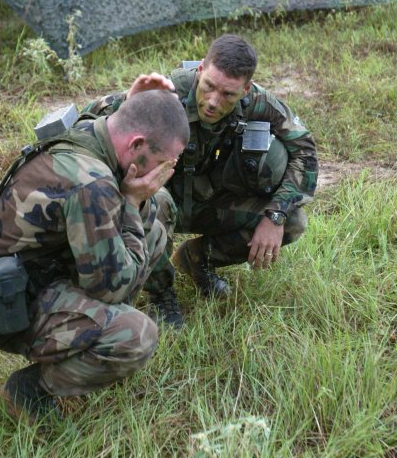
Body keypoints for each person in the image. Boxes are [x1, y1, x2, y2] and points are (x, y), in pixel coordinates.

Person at [0, 89, 189, 422]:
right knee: (136, 336)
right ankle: (31, 389)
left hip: (35, 268)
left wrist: (138, 203)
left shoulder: (92, 130)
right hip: (4, 306)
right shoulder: (91, 184)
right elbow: (113, 289)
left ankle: (100, 327)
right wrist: (129, 203)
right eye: (161, 165)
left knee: (157, 207)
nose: (161, 174)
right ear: (137, 144)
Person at [79, 34, 318, 328]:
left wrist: (276, 214)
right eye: (209, 87)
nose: (214, 102)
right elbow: (94, 118)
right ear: (201, 70)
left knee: (293, 221)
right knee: (159, 203)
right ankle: (161, 293)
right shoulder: (167, 94)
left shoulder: (257, 101)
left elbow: (304, 149)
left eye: (228, 95)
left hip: (210, 202)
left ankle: (196, 260)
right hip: (158, 201)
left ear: (245, 89)